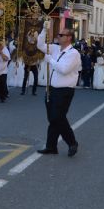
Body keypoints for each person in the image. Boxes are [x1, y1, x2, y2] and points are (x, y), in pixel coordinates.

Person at [36, 23, 81, 157]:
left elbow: (64, 69)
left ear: (69, 38)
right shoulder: (56, 49)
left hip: (64, 91)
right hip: (52, 90)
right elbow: (40, 45)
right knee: (52, 119)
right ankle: (51, 146)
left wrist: (50, 60)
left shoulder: (73, 54)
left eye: (61, 35)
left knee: (58, 117)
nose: (58, 36)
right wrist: (44, 29)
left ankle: (72, 142)